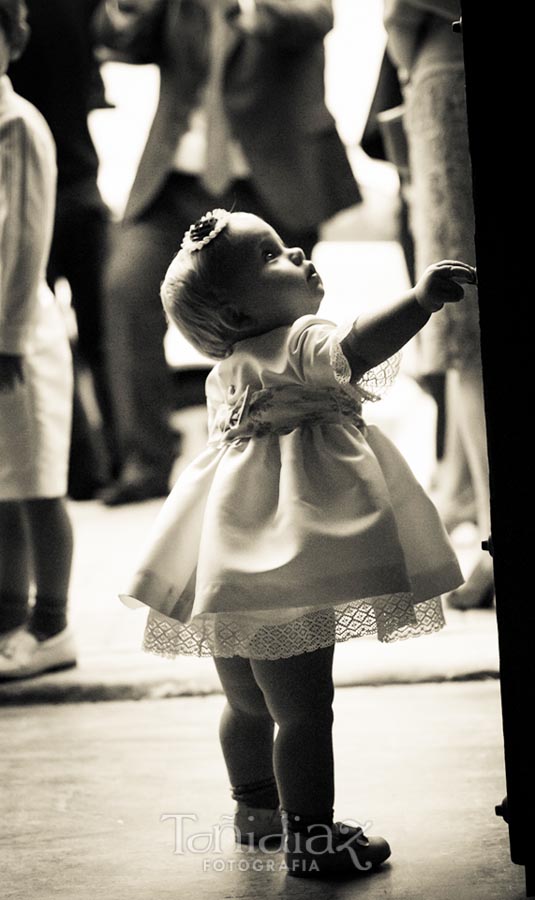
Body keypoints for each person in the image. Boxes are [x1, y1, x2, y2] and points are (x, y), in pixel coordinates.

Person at [119, 209, 472, 877]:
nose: (298, 251)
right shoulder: (301, 338)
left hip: (220, 563)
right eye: (273, 256)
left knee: (245, 703)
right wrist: (419, 302)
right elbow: (357, 348)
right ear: (232, 309)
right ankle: (312, 840)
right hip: (290, 554)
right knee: (305, 712)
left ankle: (255, 811)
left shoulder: (227, 366)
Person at [92, 0, 361, 506]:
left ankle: (285, 460)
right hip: (175, 186)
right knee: (127, 288)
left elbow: (310, 18)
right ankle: (146, 461)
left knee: (282, 331)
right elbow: (120, 38)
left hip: (270, 185)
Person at [383, 0, 492, 608]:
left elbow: (401, 11)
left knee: (466, 322)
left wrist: (404, 62)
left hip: (446, 69)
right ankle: (463, 502)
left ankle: (482, 527)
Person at [8, 0, 117, 500]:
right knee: (97, 335)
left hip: (50, 183)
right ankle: (111, 459)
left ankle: (80, 471)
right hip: (79, 179)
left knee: (42, 334)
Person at [0, 0, 77, 679]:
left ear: (13, 38)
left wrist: (9, 337)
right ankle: (7, 621)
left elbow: (26, 241)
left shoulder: (18, 124)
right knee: (3, 485)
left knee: (36, 483)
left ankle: (51, 624)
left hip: (16, 337)